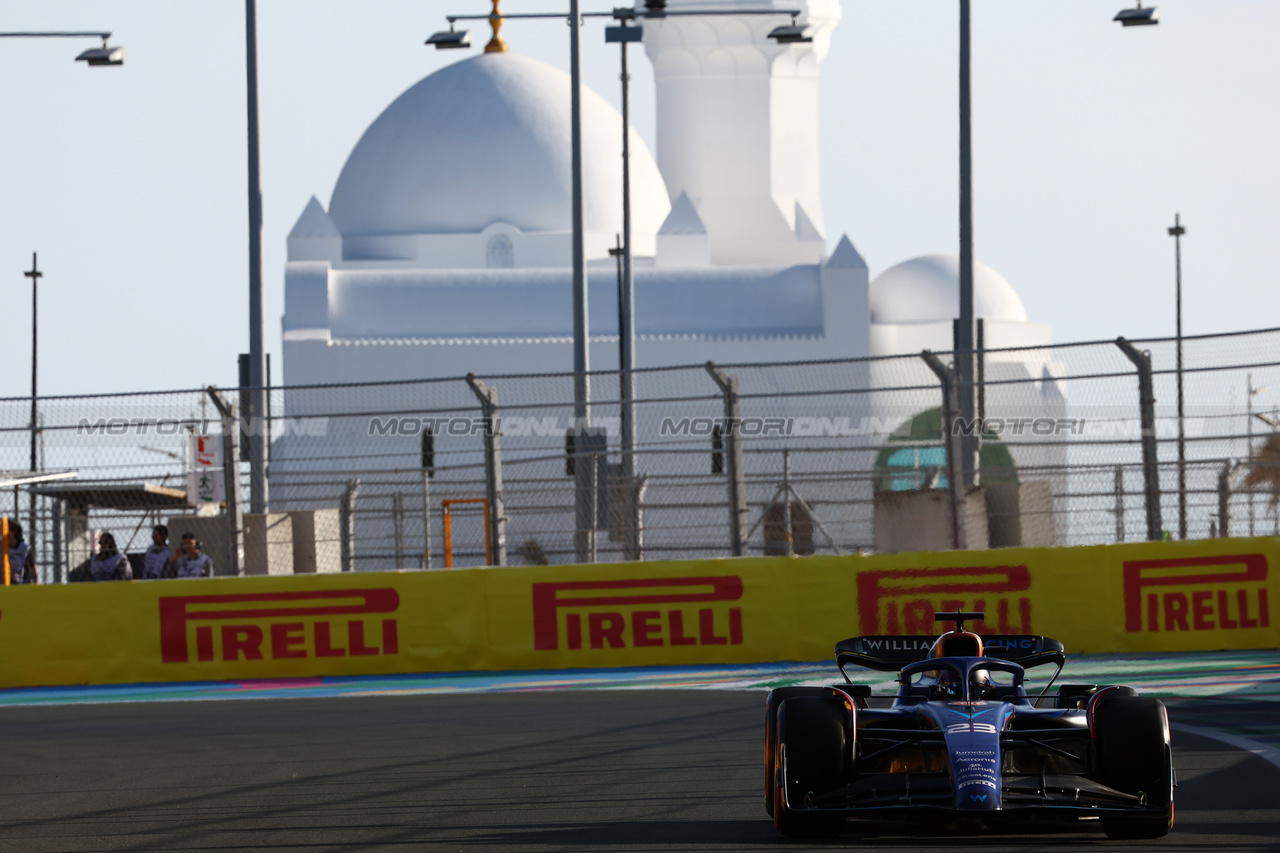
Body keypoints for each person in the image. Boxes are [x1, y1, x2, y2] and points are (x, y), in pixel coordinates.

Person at [5, 520, 37, 585]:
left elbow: (34, 569)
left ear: (13, 532)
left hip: (22, 584)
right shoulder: (2, 548)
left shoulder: (25, 549)